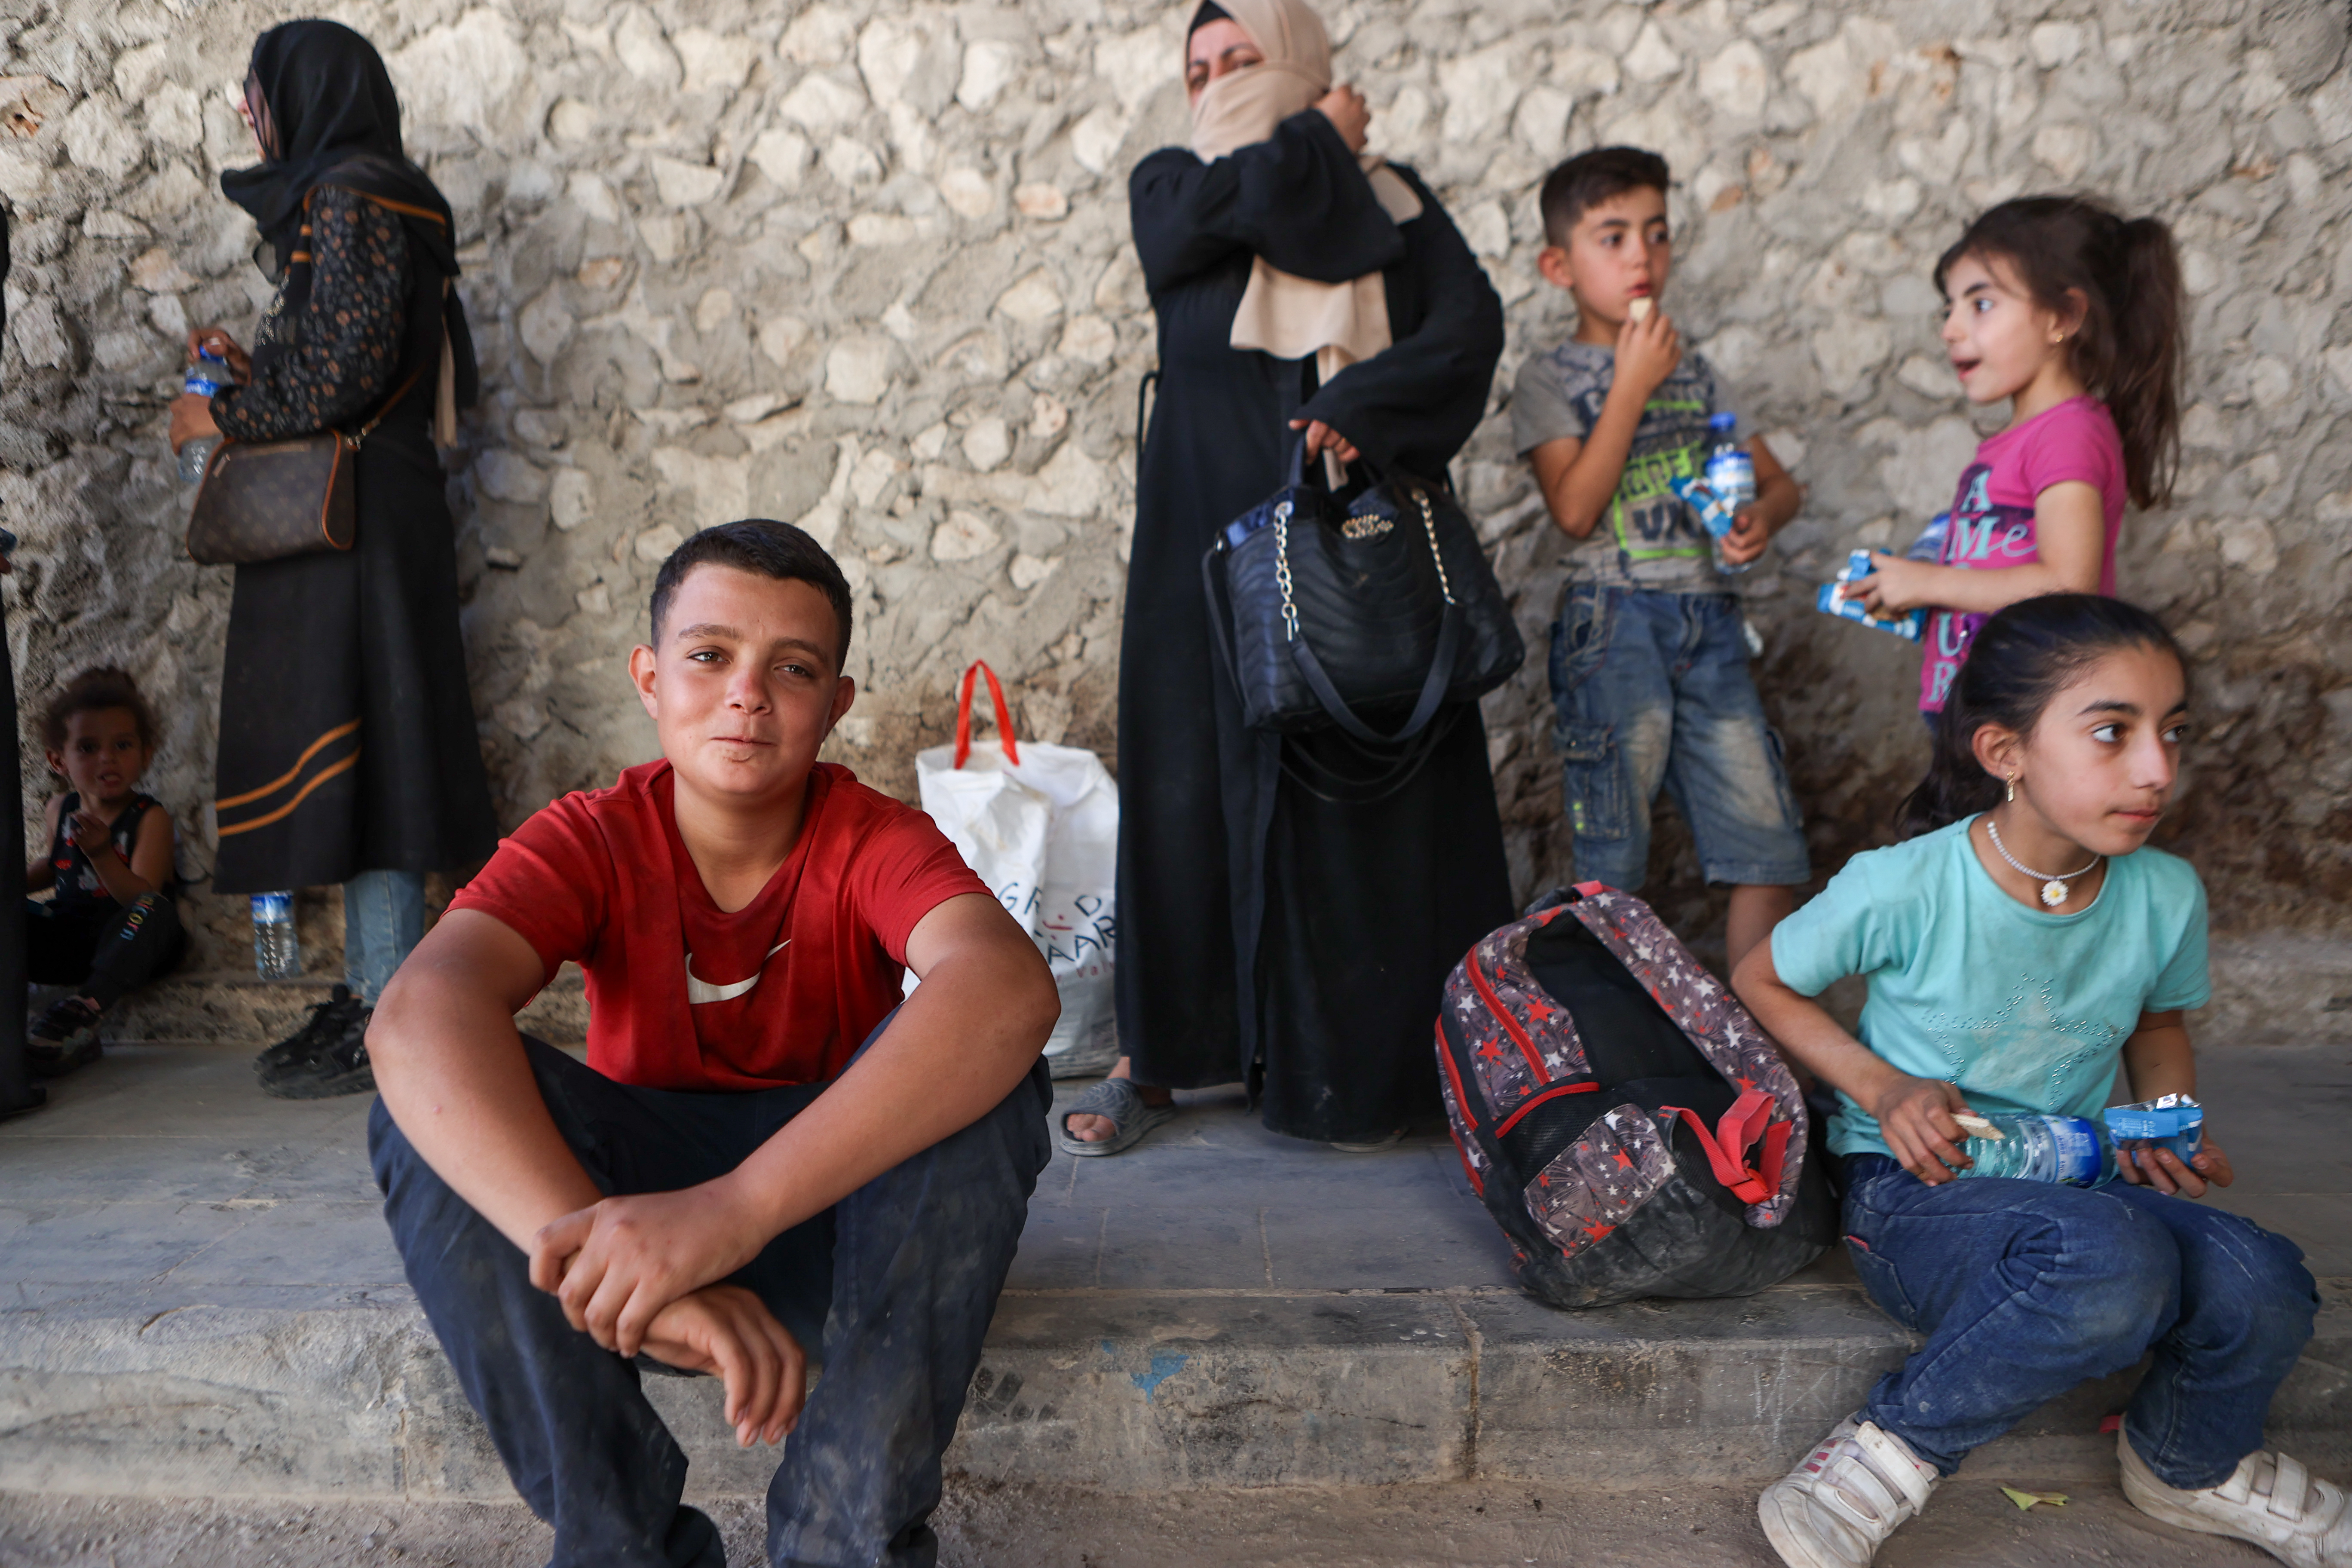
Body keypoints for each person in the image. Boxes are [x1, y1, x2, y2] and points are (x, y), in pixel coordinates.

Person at [367, 521, 1058, 1567]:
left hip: (837, 1223)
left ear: (835, 706)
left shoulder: (870, 836)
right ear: (650, 678)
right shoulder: (590, 835)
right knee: (429, 1106)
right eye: (709, 656)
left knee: (994, 1082)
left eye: (792, 669)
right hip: (638, 1246)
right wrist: (634, 1275)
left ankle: (841, 1539)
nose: (747, 693)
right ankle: (619, 1543)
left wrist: (730, 1216)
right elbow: (418, 1014)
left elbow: (1006, 989)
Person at [1733, 595, 2335, 1568]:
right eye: (2111, 732)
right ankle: (1885, 1452)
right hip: (1914, 1192)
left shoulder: (2163, 893)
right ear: (2003, 754)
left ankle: (2189, 1463)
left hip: (2083, 1177)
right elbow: (1760, 976)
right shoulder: (1904, 885)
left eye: (2169, 733)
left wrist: (2164, 1122)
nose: (2155, 769)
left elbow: (2156, 1022)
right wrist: (1882, 1086)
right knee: (2112, 1260)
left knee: (2259, 1277)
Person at [1071, 0, 1513, 1155]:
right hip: (1200, 542)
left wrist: (1358, 410)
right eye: (1200, 67)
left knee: (1360, 789)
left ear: (1305, 66)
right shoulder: (1175, 184)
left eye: (1244, 60)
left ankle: (1364, 1072)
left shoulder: (1397, 200)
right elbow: (1182, 248)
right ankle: (1156, 1058)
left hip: (1352, 543)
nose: (1218, 81)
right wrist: (1312, 142)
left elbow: (1469, 332)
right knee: (1187, 789)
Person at [168, 20, 496, 1099]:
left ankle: (391, 1001)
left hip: (354, 527)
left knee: (382, 760)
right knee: (361, 756)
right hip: (355, 519)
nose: (249, 115)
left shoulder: (355, 196)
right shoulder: (359, 198)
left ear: (307, 92)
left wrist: (220, 417)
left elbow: (346, 374)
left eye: (258, 93)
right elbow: (351, 357)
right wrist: (257, 368)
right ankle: (370, 990)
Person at [1514, 145, 1809, 970]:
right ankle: (1620, 1046)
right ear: (1557, 265)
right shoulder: (1548, 378)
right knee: (1612, 856)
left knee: (1768, 849)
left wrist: (1758, 515)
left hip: (1709, 622)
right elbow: (1574, 510)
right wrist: (1631, 385)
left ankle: (1757, 1034)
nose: (1641, 255)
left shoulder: (1699, 372)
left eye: (1656, 233)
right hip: (1613, 626)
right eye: (1611, 237)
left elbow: (1781, 485)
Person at [1842, 196, 2185, 718]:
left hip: (2028, 724)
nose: (1950, 329)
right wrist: (1916, 588)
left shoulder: (2068, 432)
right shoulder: (2020, 440)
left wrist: (1930, 582)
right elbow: (2000, 569)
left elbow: (2070, 583)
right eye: (1949, 308)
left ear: (2063, 317)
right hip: (1980, 719)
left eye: (1980, 304)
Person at [21, 668, 186, 1078]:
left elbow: (142, 895)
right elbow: (54, 865)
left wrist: (102, 856)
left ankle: (84, 1010)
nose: (108, 758)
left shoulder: (150, 817)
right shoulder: (59, 809)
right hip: (69, 936)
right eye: (89, 747)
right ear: (59, 760)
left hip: (127, 939)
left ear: (145, 754)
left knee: (155, 910)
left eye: (123, 745)